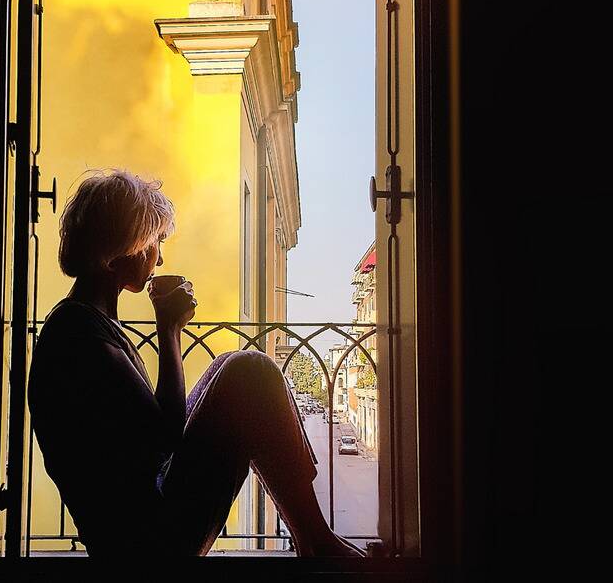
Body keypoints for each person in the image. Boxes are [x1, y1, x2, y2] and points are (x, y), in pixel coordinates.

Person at [27, 169, 364, 561]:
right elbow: (162, 439)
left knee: (232, 364)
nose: (160, 256)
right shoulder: (81, 334)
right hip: (148, 545)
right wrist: (169, 330)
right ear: (123, 247)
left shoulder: (85, 322)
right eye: (155, 241)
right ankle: (316, 541)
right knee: (249, 373)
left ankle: (313, 538)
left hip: (139, 529)